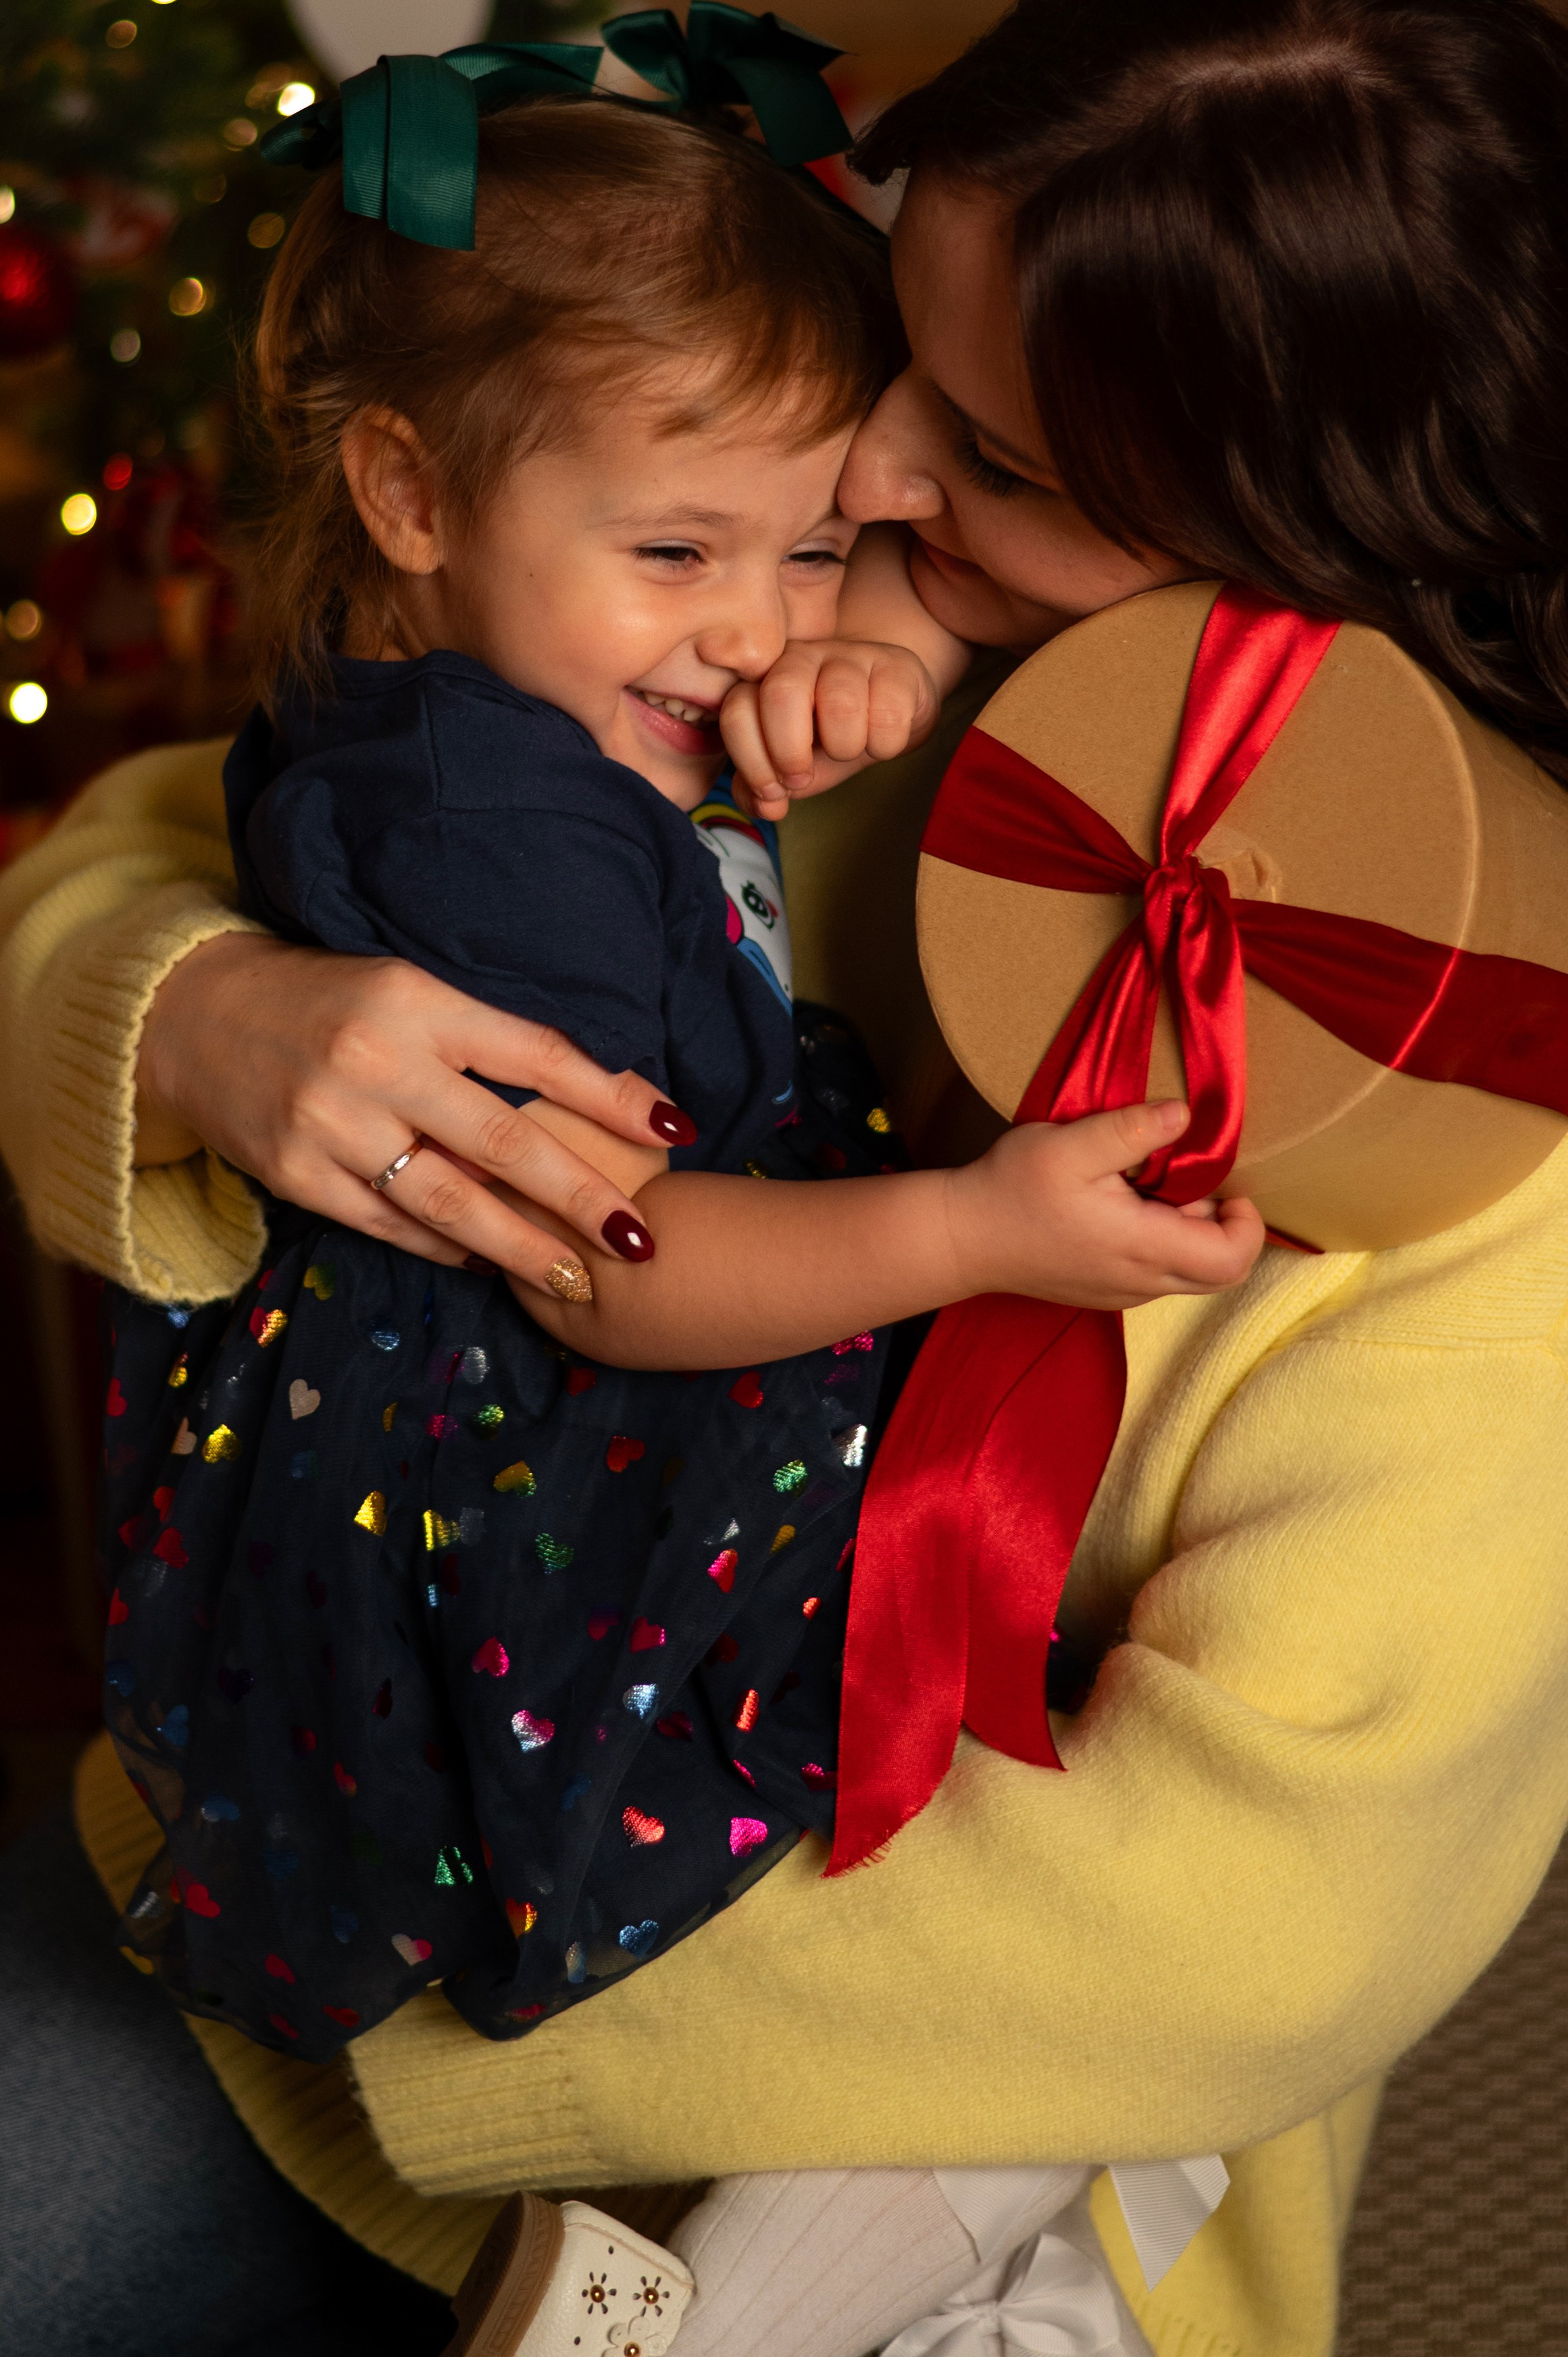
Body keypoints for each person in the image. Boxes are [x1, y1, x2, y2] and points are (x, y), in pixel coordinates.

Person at [5, 2, 1568, 2353]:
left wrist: (436, 1983)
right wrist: (194, 1009)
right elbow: (169, 829)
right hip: (314, 1801)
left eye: (991, 457)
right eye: (896, 346)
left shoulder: (1479, 1118)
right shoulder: (771, 616)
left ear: (1279, 550)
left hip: (789, 2097)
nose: (876, 469)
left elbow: (1229, 1930)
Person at [103, 89, 1251, 2077]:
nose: (750, 631)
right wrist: (976, 1228)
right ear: (408, 493)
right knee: (874, 1777)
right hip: (563, 1446)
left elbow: (818, 602)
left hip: (663, 1327)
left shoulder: (536, 666)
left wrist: (867, 649)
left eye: (812, 545)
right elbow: (610, 1269)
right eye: (676, 550)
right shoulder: (490, 835)